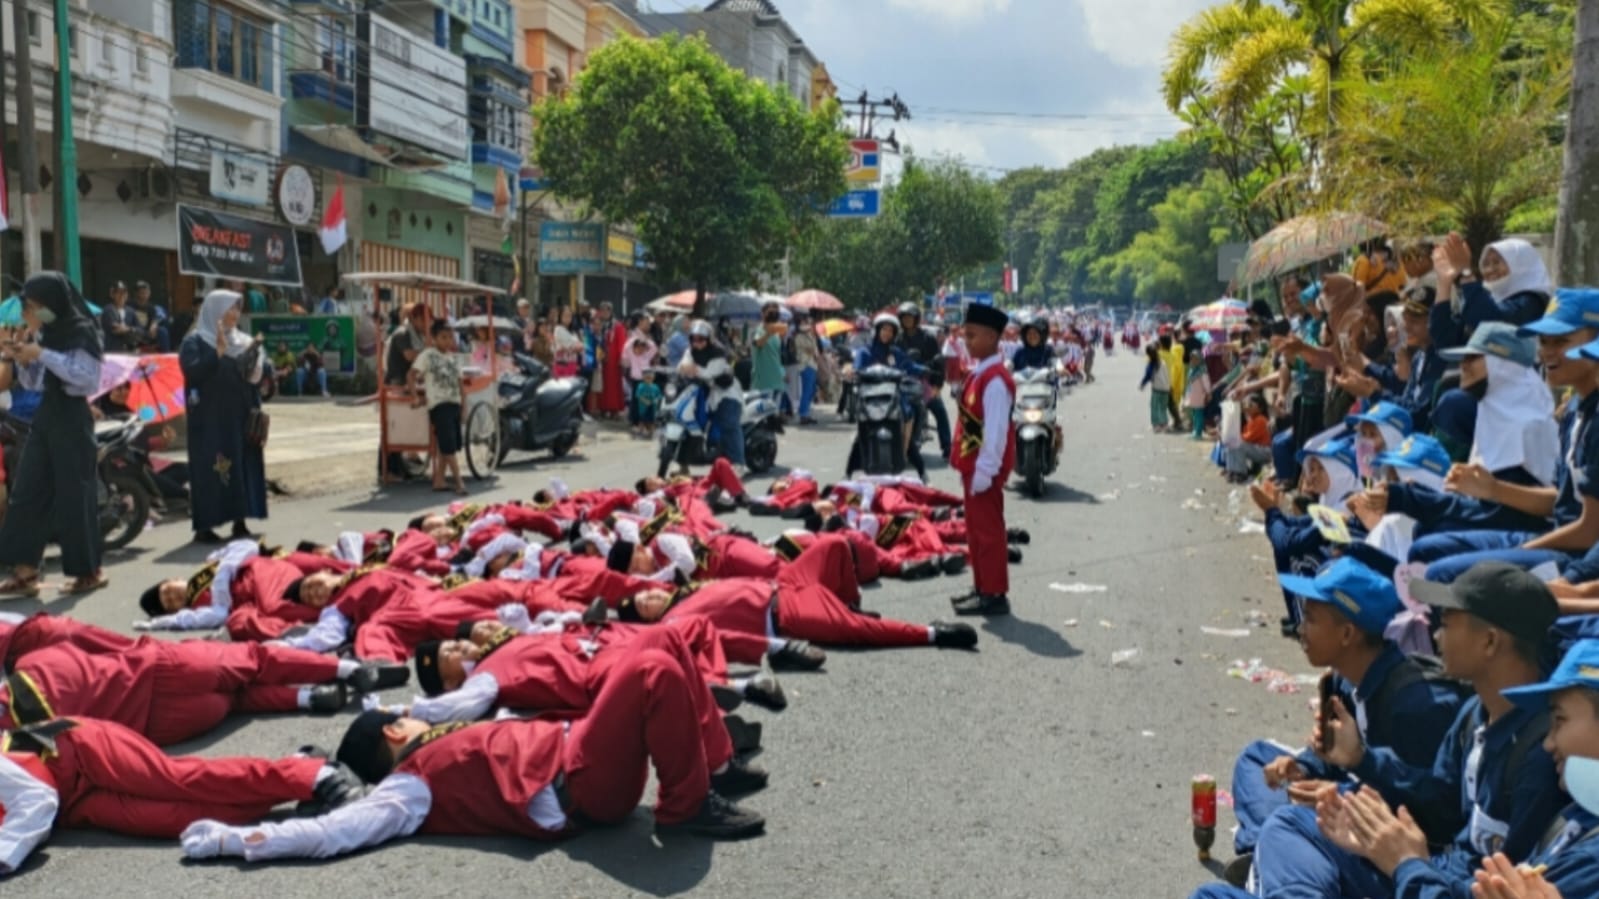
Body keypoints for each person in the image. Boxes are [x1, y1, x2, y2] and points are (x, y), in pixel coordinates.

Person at [1239, 563, 1564, 899]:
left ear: (1490, 641)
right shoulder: (1475, 714)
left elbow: (1507, 882)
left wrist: (1406, 861)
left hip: (1436, 882)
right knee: (1277, 818)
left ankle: (1275, 868)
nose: (1435, 636)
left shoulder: (1538, 753)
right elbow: (1439, 806)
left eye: (1447, 624)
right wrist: (1362, 763)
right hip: (1429, 869)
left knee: (1286, 827)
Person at [1222, 558, 1463, 882]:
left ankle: (1274, 855)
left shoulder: (1414, 705)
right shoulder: (1344, 679)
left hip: (1388, 850)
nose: (1300, 629)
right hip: (1346, 802)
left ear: (1348, 633)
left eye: (1311, 619)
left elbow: (1435, 814)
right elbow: (1331, 755)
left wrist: (1349, 788)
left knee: (1287, 821)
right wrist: (1304, 766)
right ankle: (1263, 853)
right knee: (1255, 758)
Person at [0, 716, 367, 875]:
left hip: (75, 750)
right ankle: (296, 768)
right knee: (171, 820)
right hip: (69, 802)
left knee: (181, 781)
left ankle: (317, 775)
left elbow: (36, 799)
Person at [0, 273, 105, 596]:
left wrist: (41, 354)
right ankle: (25, 571)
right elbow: (34, 383)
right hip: (46, 417)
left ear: (52, 302)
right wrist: (20, 357)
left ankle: (87, 571)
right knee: (28, 491)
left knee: (75, 495)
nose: (30, 312)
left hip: (73, 418)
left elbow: (86, 380)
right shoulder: (44, 334)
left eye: (34, 306)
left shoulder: (82, 332)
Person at [182, 289, 267, 545]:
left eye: (238, 308)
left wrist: (258, 363)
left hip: (240, 416)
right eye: (230, 308)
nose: (235, 314)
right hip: (210, 420)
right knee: (211, 468)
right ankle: (204, 526)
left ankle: (240, 521)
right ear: (215, 310)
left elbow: (257, 378)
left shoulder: (243, 340)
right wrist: (217, 353)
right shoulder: (195, 342)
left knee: (241, 465)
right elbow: (193, 372)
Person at [949, 304, 1014, 617]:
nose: (967, 341)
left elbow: (996, 432)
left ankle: (994, 593)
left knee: (988, 532)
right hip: (971, 464)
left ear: (991, 337)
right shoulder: (980, 373)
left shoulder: (995, 380)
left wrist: (986, 470)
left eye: (972, 335)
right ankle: (981, 586)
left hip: (982, 467)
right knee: (975, 531)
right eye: (966, 335)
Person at [408, 320, 466, 496]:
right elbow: (411, 375)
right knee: (448, 446)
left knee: (447, 445)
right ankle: (459, 482)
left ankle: (439, 481)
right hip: (439, 405)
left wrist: (464, 408)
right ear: (434, 338)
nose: (447, 341)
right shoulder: (427, 355)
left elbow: (461, 386)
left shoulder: (454, 359)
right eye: (443, 337)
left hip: (454, 403)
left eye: (450, 337)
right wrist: (415, 396)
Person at [679, 320, 744, 472]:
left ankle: (738, 462)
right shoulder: (690, 351)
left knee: (729, 424)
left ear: (708, 339)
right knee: (688, 423)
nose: (697, 342)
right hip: (704, 393)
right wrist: (685, 367)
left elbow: (708, 373)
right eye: (694, 339)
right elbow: (682, 365)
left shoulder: (718, 353)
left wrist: (693, 369)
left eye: (701, 339)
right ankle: (684, 464)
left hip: (727, 393)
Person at [898, 302, 950, 459]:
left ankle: (947, 445)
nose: (907, 320)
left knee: (939, 410)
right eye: (904, 317)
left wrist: (937, 387)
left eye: (910, 317)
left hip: (924, 383)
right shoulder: (897, 339)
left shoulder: (928, 338)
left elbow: (939, 363)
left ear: (916, 319)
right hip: (901, 383)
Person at [1225, 394, 1273, 482]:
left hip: (1265, 451)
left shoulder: (1261, 420)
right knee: (1231, 443)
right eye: (1246, 405)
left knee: (1238, 444)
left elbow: (1247, 438)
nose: (1247, 407)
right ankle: (1232, 470)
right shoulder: (1252, 419)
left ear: (1260, 408)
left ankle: (1240, 472)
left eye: (1250, 405)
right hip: (1256, 449)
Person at [591, 302, 627, 418]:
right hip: (601, 358)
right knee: (601, 384)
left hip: (613, 360)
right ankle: (602, 407)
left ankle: (614, 409)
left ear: (611, 311)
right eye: (602, 310)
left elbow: (622, 343)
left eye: (607, 310)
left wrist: (621, 357)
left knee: (613, 385)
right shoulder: (598, 324)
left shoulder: (617, 326)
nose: (605, 313)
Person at [750, 301, 788, 397]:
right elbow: (757, 343)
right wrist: (768, 333)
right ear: (762, 314)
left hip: (777, 380)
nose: (773, 315)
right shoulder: (758, 330)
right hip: (763, 382)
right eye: (770, 313)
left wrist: (782, 371)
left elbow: (776, 355)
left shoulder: (777, 333)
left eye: (776, 313)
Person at [791, 313, 820, 425]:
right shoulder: (799, 337)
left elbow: (816, 350)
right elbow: (809, 349)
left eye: (809, 322)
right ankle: (803, 414)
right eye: (806, 322)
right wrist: (814, 351)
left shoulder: (811, 335)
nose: (809, 324)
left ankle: (806, 412)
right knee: (807, 391)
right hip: (805, 365)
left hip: (813, 365)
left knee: (812, 390)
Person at [1139, 343, 1172, 432]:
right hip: (1166, 388)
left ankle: (1156, 425)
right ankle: (1165, 424)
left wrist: (1142, 384)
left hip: (1157, 389)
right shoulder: (1163, 362)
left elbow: (1148, 376)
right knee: (1163, 407)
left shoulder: (1151, 364)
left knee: (1154, 407)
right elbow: (1167, 375)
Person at [99, 281, 139, 353]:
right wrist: (132, 330)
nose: (121, 295)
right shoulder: (108, 309)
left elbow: (141, 330)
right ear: (112, 294)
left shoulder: (130, 311)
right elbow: (116, 330)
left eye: (124, 293)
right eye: (118, 292)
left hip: (129, 350)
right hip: (112, 351)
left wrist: (130, 329)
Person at [132, 280, 170, 351]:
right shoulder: (130, 306)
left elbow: (154, 319)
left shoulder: (151, 308)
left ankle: (166, 353)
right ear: (136, 293)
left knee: (162, 331)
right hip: (134, 332)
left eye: (146, 292)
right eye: (141, 292)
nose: (144, 295)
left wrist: (154, 325)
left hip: (147, 333)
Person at [635, 368, 663, 439]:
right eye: (647, 378)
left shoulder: (655, 387)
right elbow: (638, 395)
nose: (648, 380)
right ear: (643, 378)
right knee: (642, 420)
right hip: (643, 407)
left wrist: (656, 400)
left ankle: (651, 433)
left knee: (652, 421)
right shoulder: (641, 386)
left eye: (650, 378)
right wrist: (645, 401)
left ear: (653, 378)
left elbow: (659, 396)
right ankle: (640, 432)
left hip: (653, 407)